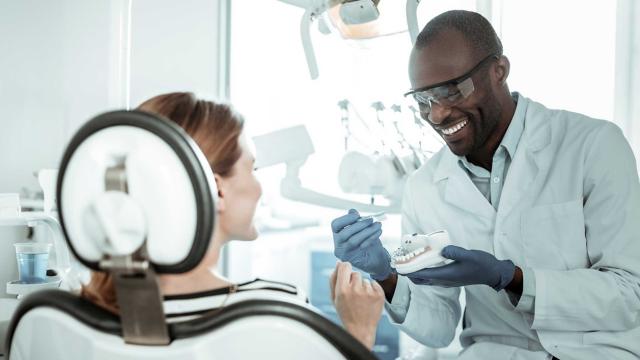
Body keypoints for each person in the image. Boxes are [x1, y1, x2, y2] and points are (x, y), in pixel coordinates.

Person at [331, 10, 640, 360]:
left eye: (451, 91)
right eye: (423, 100)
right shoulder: (425, 187)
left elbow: (629, 293)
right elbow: (440, 325)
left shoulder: (593, 146)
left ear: (499, 71)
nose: (437, 114)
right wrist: (386, 276)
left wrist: (512, 278)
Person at [81, 92, 385, 350]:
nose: (259, 187)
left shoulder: (83, 312)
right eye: (252, 169)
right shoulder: (275, 312)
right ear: (217, 189)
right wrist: (358, 332)